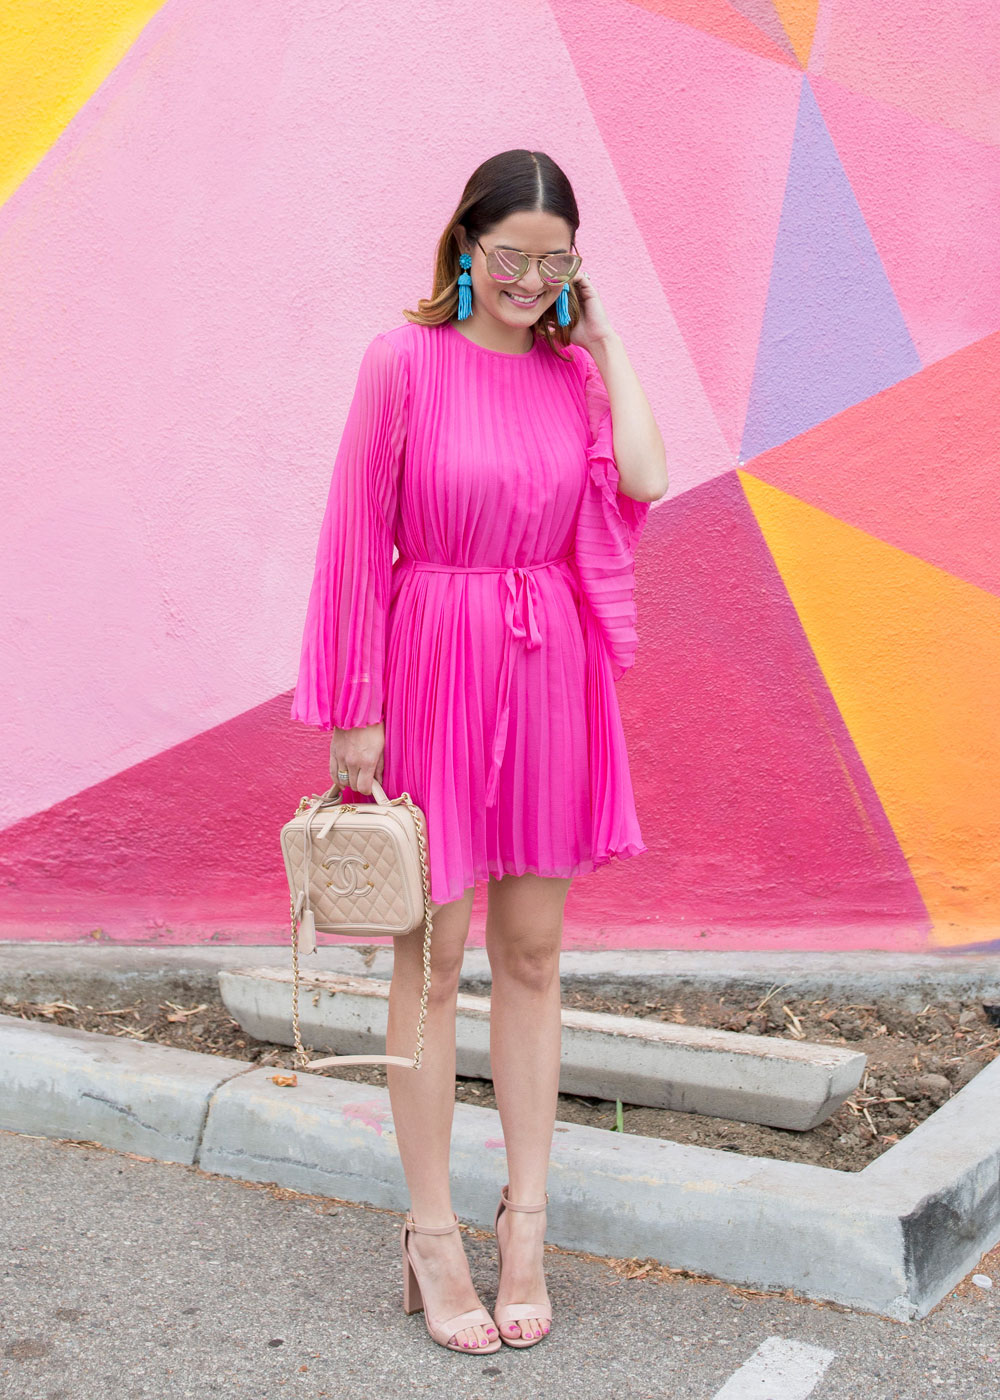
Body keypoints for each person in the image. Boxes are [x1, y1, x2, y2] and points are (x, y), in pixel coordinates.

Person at [290, 149, 668, 1355]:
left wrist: (603, 340)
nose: (531, 278)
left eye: (555, 261)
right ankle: (431, 1230)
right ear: (466, 244)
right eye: (512, 255)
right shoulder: (403, 361)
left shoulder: (571, 371)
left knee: (535, 949)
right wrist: (353, 704)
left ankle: (526, 1224)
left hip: (549, 664)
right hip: (433, 658)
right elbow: (354, 532)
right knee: (433, 948)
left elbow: (646, 479)